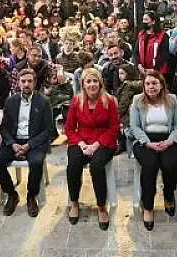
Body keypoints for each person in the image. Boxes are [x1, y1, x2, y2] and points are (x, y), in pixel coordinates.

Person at [0, 69, 55, 217]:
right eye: (23, 81)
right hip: (14, 140)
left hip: (34, 141)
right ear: (18, 83)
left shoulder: (44, 101)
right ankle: (11, 194)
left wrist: (29, 145)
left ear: (35, 83)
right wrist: (12, 143)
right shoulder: (11, 101)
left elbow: (48, 130)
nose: (26, 84)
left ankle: (31, 195)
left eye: (30, 81)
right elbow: (4, 127)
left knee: (36, 162)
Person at [64, 68, 119, 231]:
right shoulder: (76, 100)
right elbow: (69, 128)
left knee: (96, 166)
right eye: (88, 81)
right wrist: (81, 144)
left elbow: (114, 128)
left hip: (104, 141)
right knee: (73, 164)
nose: (92, 84)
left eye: (95, 81)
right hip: (81, 140)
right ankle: (74, 202)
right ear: (83, 85)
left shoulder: (109, 101)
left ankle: (101, 206)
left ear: (100, 83)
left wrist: (96, 145)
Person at [129, 71, 177, 231]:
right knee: (150, 165)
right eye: (147, 84)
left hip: (167, 138)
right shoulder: (137, 100)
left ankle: (168, 195)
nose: (151, 87)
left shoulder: (172, 99)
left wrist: (170, 141)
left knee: (170, 164)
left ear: (161, 85)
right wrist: (148, 143)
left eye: (154, 83)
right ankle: (148, 206)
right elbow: (134, 127)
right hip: (144, 140)